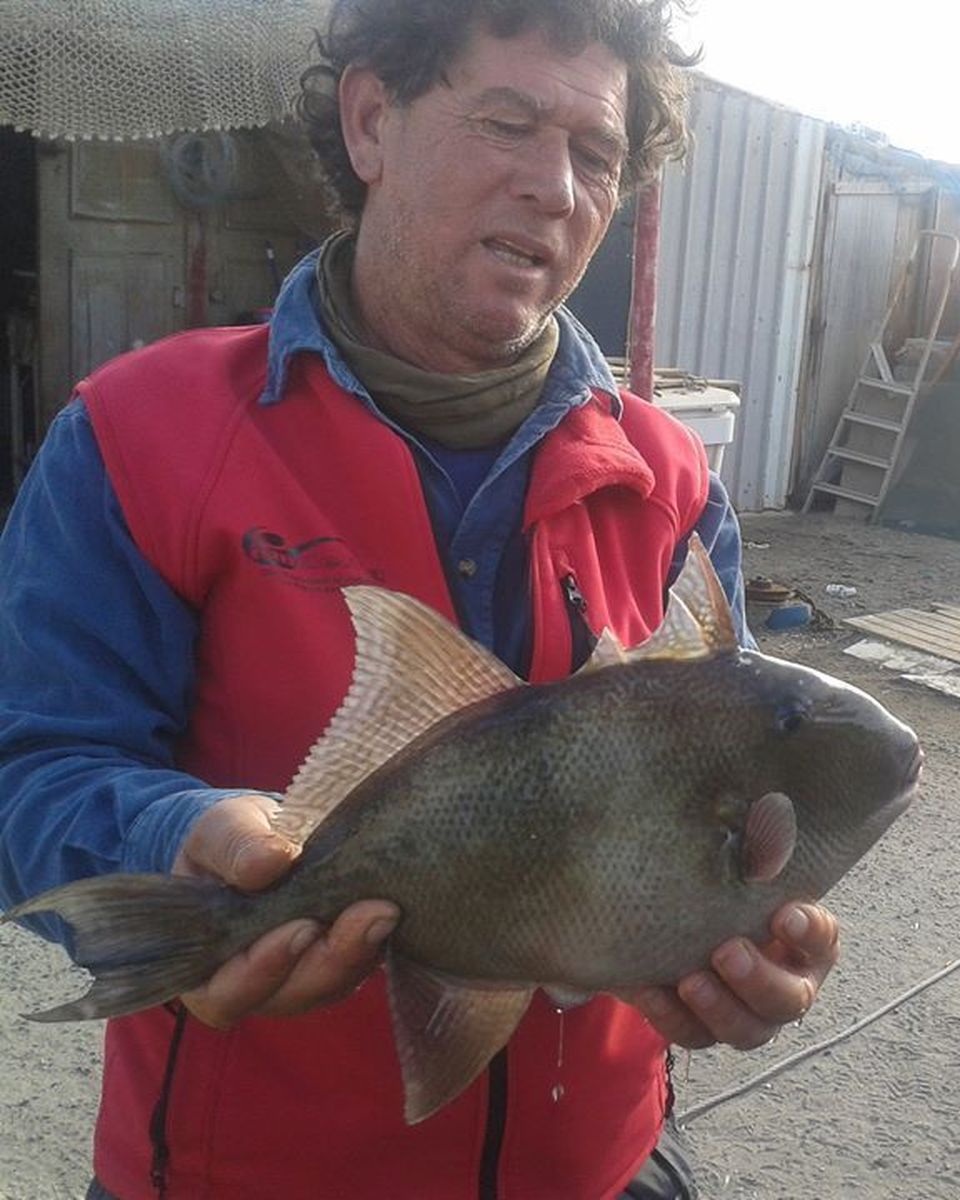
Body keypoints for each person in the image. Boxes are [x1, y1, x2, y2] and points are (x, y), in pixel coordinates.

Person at [0, 2, 842, 1196]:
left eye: (596, 157)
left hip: (601, 1166)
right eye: (508, 123)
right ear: (369, 121)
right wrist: (173, 841)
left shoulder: (670, 480)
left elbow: (739, 764)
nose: (555, 188)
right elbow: (27, 766)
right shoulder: (141, 434)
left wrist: (735, 937)